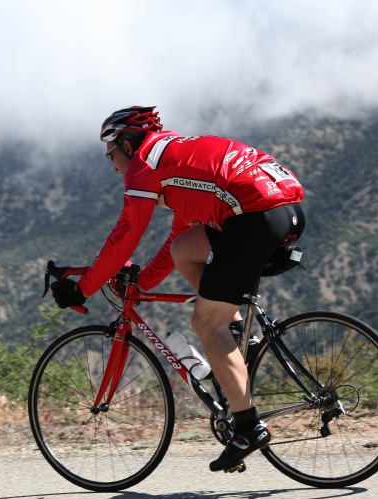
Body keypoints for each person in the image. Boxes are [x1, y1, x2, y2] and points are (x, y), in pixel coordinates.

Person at [50, 106, 305, 472]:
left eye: (111, 156)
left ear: (125, 144)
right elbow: (179, 237)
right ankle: (236, 333)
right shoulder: (175, 156)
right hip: (285, 211)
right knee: (185, 250)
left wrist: (82, 289)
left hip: (254, 221)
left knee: (205, 324)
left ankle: (248, 428)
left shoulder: (144, 166)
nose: (113, 166)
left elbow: (125, 236)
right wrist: (141, 283)